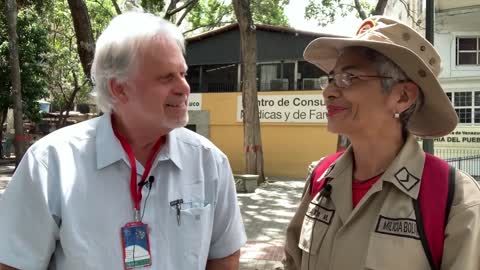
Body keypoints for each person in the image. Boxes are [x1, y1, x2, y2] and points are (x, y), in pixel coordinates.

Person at [0, 12, 246, 270]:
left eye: (183, 74)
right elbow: (13, 263)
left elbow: (224, 255)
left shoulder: (210, 163)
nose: (184, 87)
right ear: (120, 88)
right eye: (166, 77)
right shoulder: (51, 164)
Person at [284, 16, 480, 270]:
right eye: (332, 78)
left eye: (349, 77)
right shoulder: (322, 178)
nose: (328, 91)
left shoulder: (453, 198)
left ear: (402, 96)